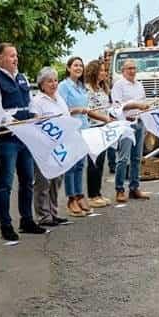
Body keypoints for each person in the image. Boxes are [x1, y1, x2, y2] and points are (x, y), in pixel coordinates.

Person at [0, 42, 47, 240]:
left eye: (16, 55)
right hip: (8, 138)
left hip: (25, 136)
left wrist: (33, 116)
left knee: (27, 179)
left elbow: (28, 102)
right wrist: (14, 122)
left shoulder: (21, 78)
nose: (15, 59)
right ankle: (5, 224)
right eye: (11, 55)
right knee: (6, 182)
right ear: (0, 58)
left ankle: (26, 219)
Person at [58, 56, 109, 215]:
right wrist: (78, 110)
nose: (78, 68)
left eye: (80, 65)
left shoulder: (81, 87)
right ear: (68, 68)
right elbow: (61, 110)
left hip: (84, 128)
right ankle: (71, 199)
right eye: (75, 65)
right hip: (71, 129)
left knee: (81, 165)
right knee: (71, 166)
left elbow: (86, 108)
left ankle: (80, 195)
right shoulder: (64, 86)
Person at [30, 67, 73, 223]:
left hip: (60, 146)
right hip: (44, 147)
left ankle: (53, 212)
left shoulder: (59, 98)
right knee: (43, 182)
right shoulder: (37, 101)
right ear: (42, 84)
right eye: (50, 81)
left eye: (55, 80)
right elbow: (36, 123)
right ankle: (43, 215)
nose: (54, 84)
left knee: (57, 181)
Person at [110, 59, 152, 202]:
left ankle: (134, 187)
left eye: (134, 68)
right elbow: (117, 106)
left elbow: (144, 103)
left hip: (139, 122)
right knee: (123, 158)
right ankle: (119, 189)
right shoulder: (118, 85)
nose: (132, 71)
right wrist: (134, 105)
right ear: (123, 71)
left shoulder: (140, 85)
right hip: (126, 124)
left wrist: (145, 122)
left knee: (136, 158)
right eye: (129, 68)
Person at [84, 58, 113, 208]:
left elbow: (107, 108)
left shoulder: (103, 89)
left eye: (105, 70)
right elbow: (89, 111)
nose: (104, 73)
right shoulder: (87, 89)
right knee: (93, 163)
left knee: (101, 162)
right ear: (94, 71)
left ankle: (98, 193)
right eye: (101, 70)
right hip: (93, 128)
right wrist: (105, 118)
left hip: (104, 127)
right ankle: (92, 195)